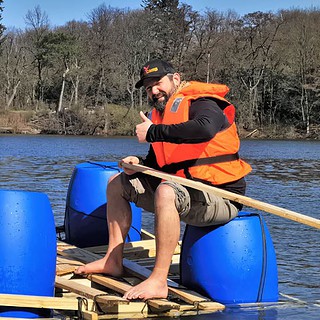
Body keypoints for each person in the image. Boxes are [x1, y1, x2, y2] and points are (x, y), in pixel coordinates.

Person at [75, 58, 252, 300]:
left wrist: (152, 132)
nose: (153, 91)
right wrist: (137, 165)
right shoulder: (160, 116)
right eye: (148, 88)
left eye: (157, 83)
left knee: (167, 190)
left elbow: (205, 129)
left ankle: (158, 280)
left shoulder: (204, 103)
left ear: (175, 79)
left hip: (221, 197)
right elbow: (157, 163)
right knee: (117, 183)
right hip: (185, 193)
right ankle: (112, 260)